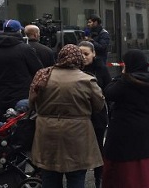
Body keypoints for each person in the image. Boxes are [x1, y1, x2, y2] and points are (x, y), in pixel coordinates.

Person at [29, 44, 105, 188]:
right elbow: (99, 105)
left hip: (46, 131)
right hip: (78, 133)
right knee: (76, 175)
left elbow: (32, 103)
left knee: (49, 174)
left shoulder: (43, 75)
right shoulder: (87, 80)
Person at [102, 50, 149, 188]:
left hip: (125, 132)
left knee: (124, 176)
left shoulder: (126, 82)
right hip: (147, 130)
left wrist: (121, 76)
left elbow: (108, 92)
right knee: (142, 173)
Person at [0, 19, 43, 121]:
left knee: (2, 129)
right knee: (22, 128)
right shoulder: (25, 50)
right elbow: (39, 71)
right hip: (23, 97)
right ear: (18, 32)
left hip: (0, 97)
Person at [78, 41, 111, 188]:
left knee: (97, 148)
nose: (83, 57)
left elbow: (108, 91)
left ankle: (99, 178)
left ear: (94, 54)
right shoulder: (74, 69)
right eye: (80, 54)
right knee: (80, 150)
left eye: (86, 54)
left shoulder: (101, 69)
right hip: (79, 117)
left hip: (97, 116)